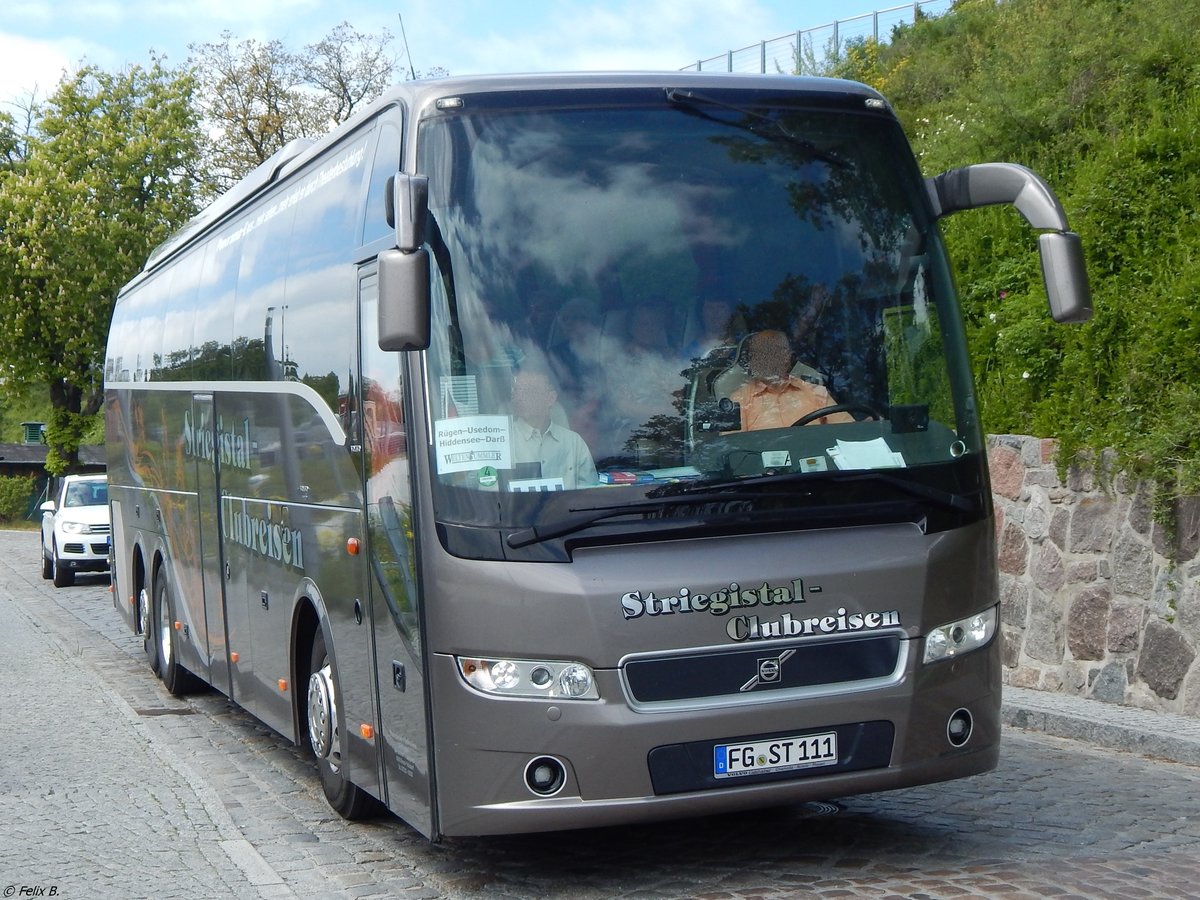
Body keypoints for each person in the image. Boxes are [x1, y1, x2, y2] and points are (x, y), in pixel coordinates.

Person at [729, 330, 853, 431]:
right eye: (756, 354)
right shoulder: (738, 400)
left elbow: (847, 430)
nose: (763, 359)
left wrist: (863, 429)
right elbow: (733, 449)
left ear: (787, 356)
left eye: (772, 352)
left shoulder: (816, 392)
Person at [509, 369, 598, 489]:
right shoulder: (503, 442)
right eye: (516, 390)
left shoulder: (574, 442)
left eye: (528, 391)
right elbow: (492, 498)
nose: (518, 397)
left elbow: (591, 494)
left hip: (569, 507)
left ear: (550, 398)